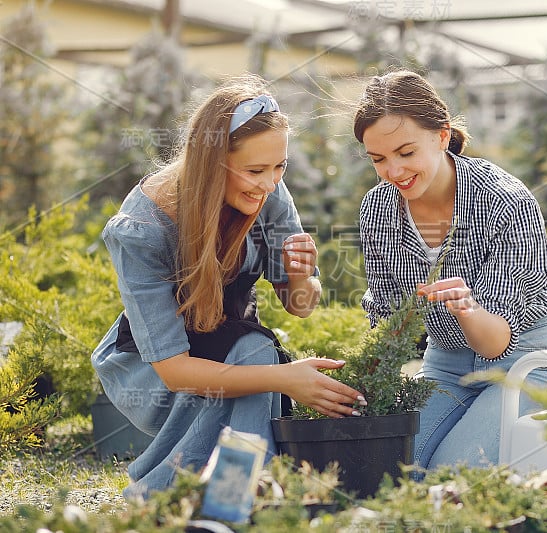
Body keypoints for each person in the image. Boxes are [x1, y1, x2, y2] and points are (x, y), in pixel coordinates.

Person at [91, 74, 366, 499]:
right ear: (212, 163)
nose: (271, 182)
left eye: (281, 166)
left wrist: (300, 275)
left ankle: (221, 499)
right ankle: (204, 495)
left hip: (236, 345)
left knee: (254, 351)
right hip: (152, 370)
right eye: (255, 169)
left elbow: (301, 305)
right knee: (257, 354)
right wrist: (282, 378)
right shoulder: (142, 229)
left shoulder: (267, 192)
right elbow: (174, 369)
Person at [353, 69, 547, 472]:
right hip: (447, 361)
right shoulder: (377, 209)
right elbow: (388, 317)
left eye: (406, 153)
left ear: (442, 137)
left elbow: (495, 342)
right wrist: (364, 374)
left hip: (528, 356)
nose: (393, 171)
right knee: (390, 465)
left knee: (451, 474)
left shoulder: (505, 201)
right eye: (379, 159)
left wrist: (466, 308)